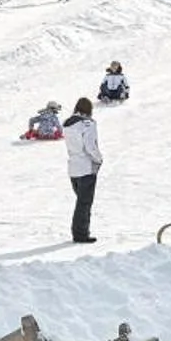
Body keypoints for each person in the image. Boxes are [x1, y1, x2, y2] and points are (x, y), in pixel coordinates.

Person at [63, 98, 103, 243]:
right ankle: (81, 233)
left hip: (73, 167)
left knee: (80, 201)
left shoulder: (68, 124)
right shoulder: (88, 124)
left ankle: (80, 231)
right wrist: (99, 159)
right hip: (86, 167)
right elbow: (90, 146)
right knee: (84, 203)